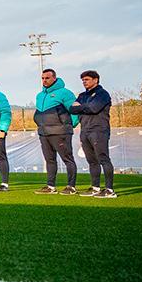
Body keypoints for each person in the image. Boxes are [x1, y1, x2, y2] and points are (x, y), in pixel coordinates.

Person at [32, 68, 79, 195]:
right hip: (44, 133)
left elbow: (75, 112)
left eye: (47, 78)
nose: (44, 80)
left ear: (54, 78)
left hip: (61, 132)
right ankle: (51, 186)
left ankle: (71, 186)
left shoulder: (65, 93)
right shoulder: (40, 95)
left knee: (67, 159)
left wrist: (68, 126)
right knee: (50, 160)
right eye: (42, 78)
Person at [70, 70, 115, 198]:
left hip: (99, 130)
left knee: (103, 159)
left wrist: (81, 106)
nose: (84, 82)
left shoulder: (102, 94)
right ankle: (95, 187)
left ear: (95, 80)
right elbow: (72, 109)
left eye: (87, 79)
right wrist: (85, 106)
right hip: (85, 130)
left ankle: (110, 190)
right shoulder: (82, 95)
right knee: (92, 161)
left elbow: (94, 108)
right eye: (83, 80)